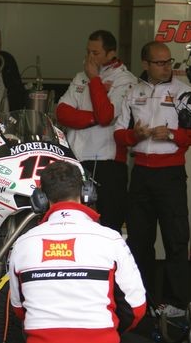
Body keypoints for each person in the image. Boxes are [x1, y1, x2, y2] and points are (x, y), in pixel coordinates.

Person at [8, 160, 147, 343]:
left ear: (40, 199)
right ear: (86, 193)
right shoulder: (112, 240)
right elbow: (136, 309)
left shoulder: (22, 244)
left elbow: (19, 309)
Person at [114, 41, 191, 317]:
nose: (166, 67)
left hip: (170, 174)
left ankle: (178, 303)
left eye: (169, 61)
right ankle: (143, 300)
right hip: (140, 173)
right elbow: (118, 134)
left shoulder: (185, 92)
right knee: (139, 240)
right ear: (146, 64)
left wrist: (173, 134)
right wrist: (134, 136)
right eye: (160, 63)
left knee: (176, 239)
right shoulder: (132, 91)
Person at [56, 30, 136, 233]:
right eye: (88, 52)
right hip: (77, 160)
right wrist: (94, 119)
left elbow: (106, 115)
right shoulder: (80, 76)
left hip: (108, 162)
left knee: (108, 226)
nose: (90, 58)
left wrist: (94, 80)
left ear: (111, 53)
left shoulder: (125, 80)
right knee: (73, 223)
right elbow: (62, 113)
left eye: (96, 53)